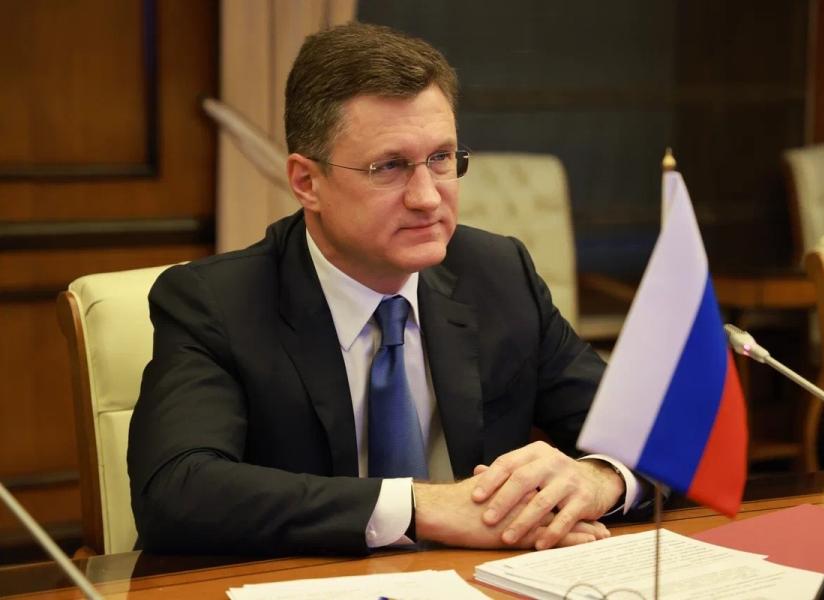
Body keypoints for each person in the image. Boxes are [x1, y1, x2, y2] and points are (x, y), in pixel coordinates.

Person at [128, 22, 643, 557]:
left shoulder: (498, 273)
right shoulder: (215, 303)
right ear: (306, 182)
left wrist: (600, 478)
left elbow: (655, 431)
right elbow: (176, 490)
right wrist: (422, 508)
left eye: (441, 159)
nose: (427, 197)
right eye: (390, 167)